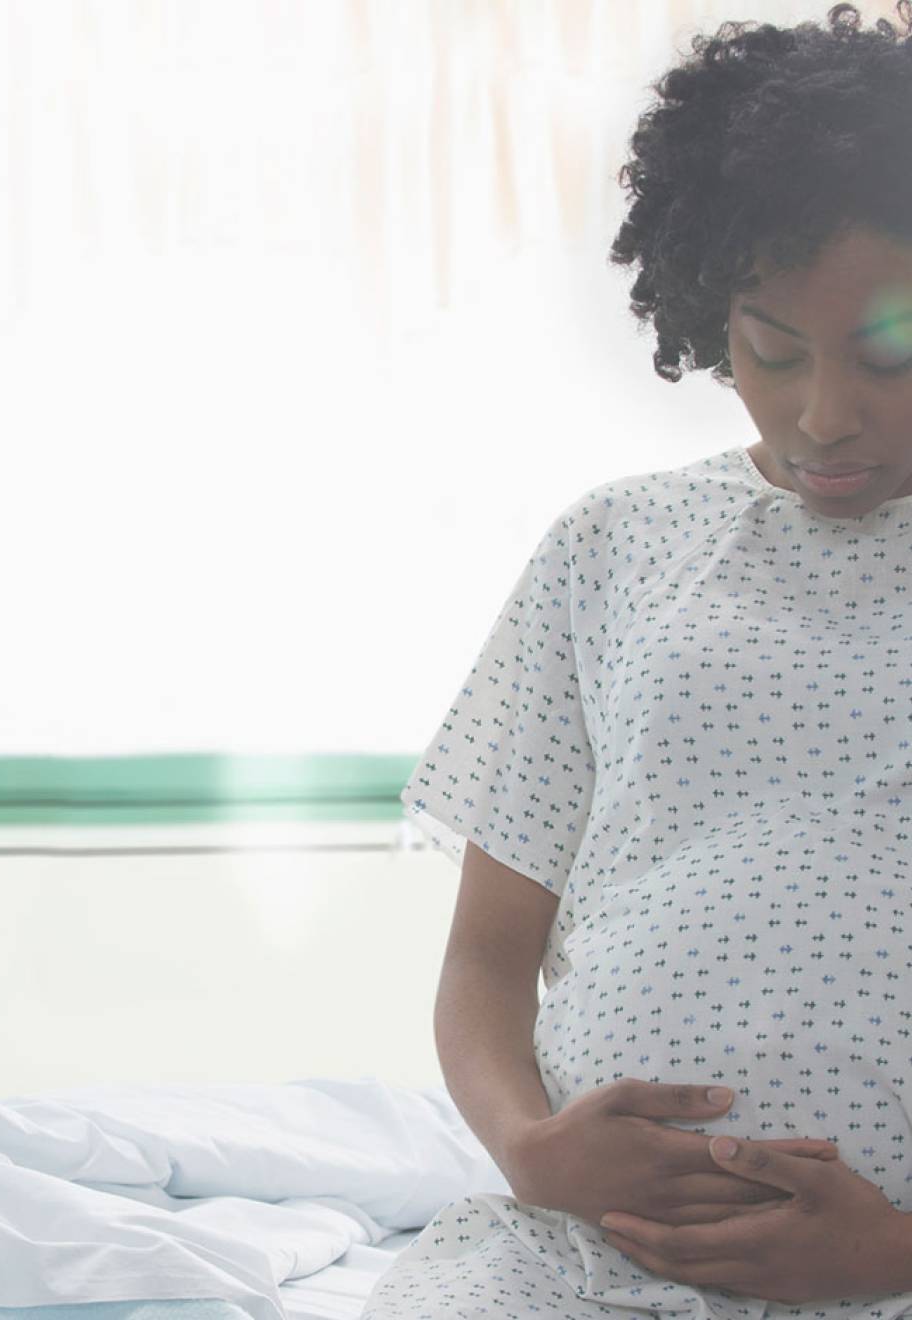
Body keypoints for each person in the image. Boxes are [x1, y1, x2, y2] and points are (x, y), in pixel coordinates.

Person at [363, 5, 912, 1317]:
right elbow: (489, 961)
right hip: (579, 1262)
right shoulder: (615, 549)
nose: (822, 413)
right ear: (701, 310)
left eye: (889, 354)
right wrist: (527, 1148)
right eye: (772, 350)